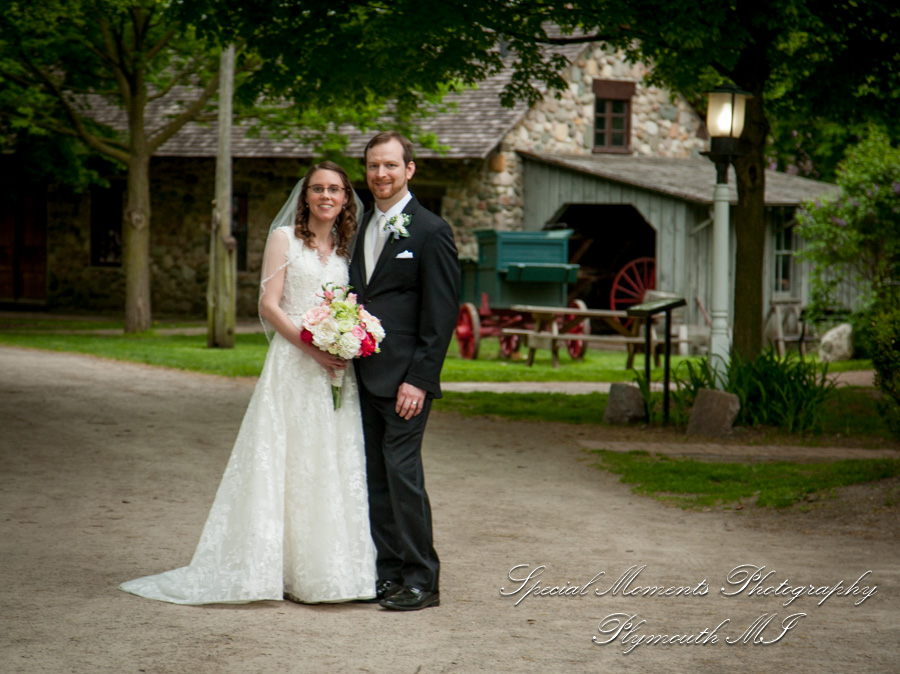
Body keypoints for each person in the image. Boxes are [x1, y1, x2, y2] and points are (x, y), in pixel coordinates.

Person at [119, 162, 377, 604]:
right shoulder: (283, 239)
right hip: (294, 364)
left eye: (335, 189)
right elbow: (270, 305)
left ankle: (325, 572)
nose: (326, 196)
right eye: (318, 188)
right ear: (306, 196)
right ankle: (270, 568)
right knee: (285, 459)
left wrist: (344, 341)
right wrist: (313, 347)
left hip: (334, 370)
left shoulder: (343, 249)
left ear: (345, 198)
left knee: (327, 461)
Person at [348, 132, 460, 611]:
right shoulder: (358, 227)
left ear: (409, 169)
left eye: (391, 165)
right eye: (374, 166)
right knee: (376, 477)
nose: (381, 174)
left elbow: (441, 314)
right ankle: (389, 574)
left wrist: (419, 379)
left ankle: (422, 580)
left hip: (405, 382)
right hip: (362, 374)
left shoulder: (432, 232)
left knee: (402, 474)